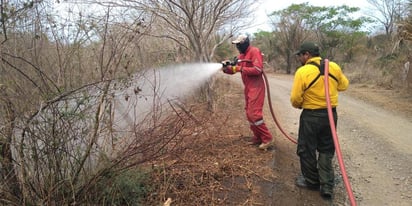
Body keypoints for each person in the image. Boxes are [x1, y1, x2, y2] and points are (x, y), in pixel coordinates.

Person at [290, 42, 349, 199]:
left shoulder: (303, 71)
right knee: (326, 149)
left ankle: (311, 181)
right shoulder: (333, 67)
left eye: (300, 55)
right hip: (330, 116)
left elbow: (295, 99)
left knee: (306, 148)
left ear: (307, 55)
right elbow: (344, 85)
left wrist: (301, 104)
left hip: (311, 116)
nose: (299, 58)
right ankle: (326, 184)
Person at [221, 34, 274, 150]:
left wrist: (239, 68)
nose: (238, 47)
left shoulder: (254, 51)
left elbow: (258, 69)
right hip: (248, 88)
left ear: (245, 43)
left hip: (257, 87)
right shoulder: (242, 56)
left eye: (239, 44)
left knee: (254, 114)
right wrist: (226, 68)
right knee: (249, 114)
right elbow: (234, 70)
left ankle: (267, 138)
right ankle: (257, 137)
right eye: (236, 45)